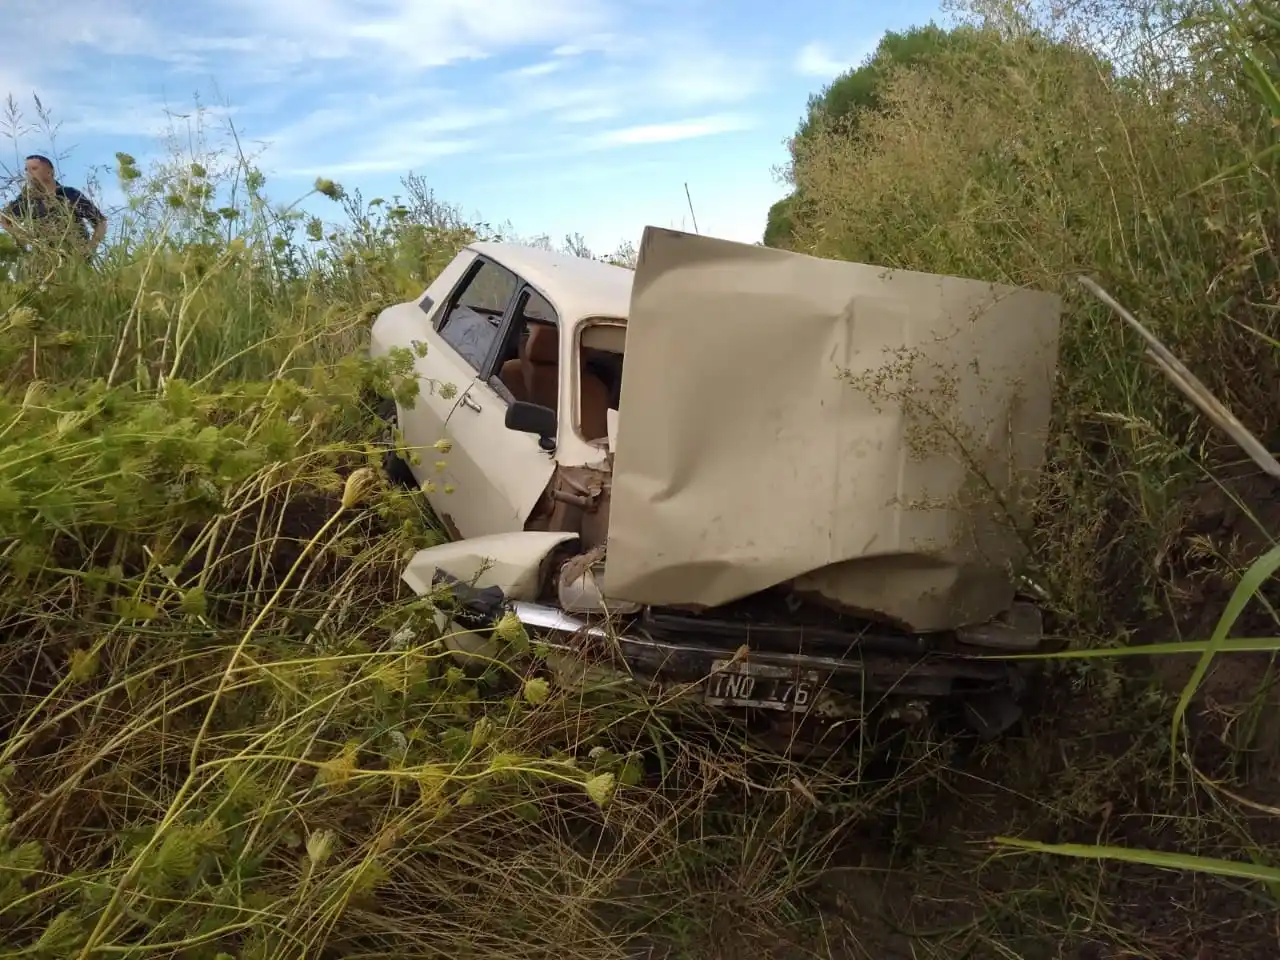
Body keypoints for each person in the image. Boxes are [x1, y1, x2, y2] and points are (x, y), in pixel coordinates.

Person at [0, 154, 107, 256]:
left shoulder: (69, 194)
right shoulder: (26, 199)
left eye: (34, 168)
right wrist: (22, 242)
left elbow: (100, 222)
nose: (28, 173)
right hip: (43, 261)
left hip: (75, 258)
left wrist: (91, 247)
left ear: (50, 171)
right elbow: (5, 220)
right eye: (26, 170)